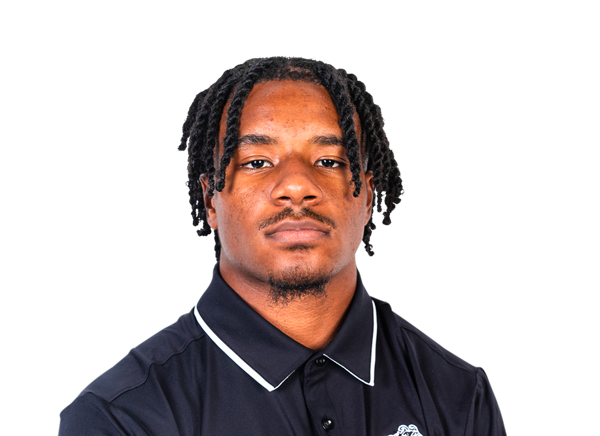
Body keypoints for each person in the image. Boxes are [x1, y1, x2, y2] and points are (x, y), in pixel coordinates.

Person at [58, 56, 506, 435]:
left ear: (368, 197)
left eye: (328, 160)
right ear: (210, 200)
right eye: (257, 162)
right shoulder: (120, 418)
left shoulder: (459, 395)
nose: (296, 186)